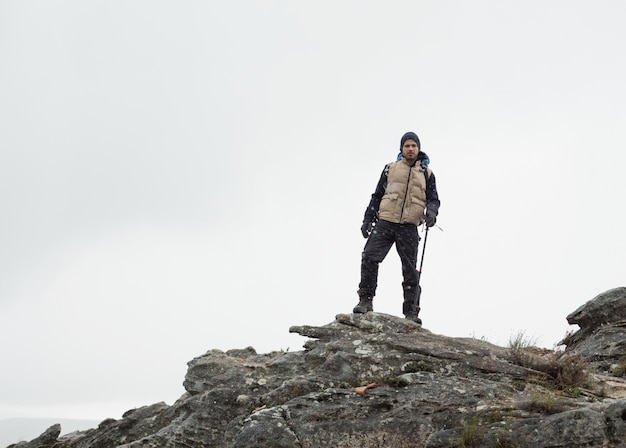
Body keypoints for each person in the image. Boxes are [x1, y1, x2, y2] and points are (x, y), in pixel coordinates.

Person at [354, 131, 440, 325]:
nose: (411, 149)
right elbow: (377, 195)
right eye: (407, 146)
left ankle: (411, 312)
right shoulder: (390, 169)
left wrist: (432, 213)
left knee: (410, 270)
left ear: (418, 148)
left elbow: (434, 199)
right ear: (401, 149)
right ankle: (365, 300)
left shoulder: (427, 173)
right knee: (369, 256)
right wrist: (367, 218)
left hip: (409, 226)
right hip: (385, 221)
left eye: (414, 146)